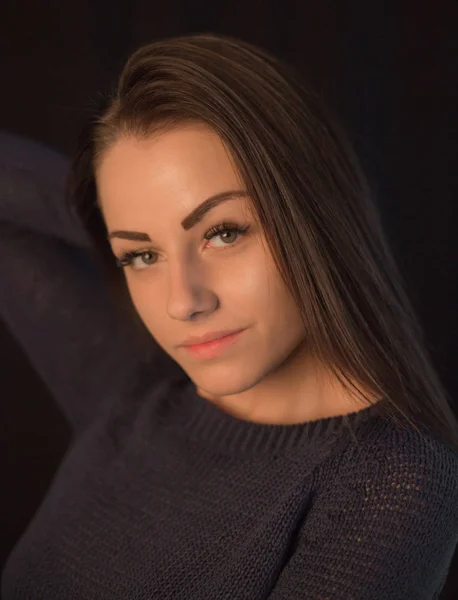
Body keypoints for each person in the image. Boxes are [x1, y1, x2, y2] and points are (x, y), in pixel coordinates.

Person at [1, 32, 458, 599]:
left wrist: (139, 229)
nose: (182, 301)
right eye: (141, 255)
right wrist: (110, 220)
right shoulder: (132, 393)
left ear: (315, 214)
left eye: (223, 232)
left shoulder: (389, 480)